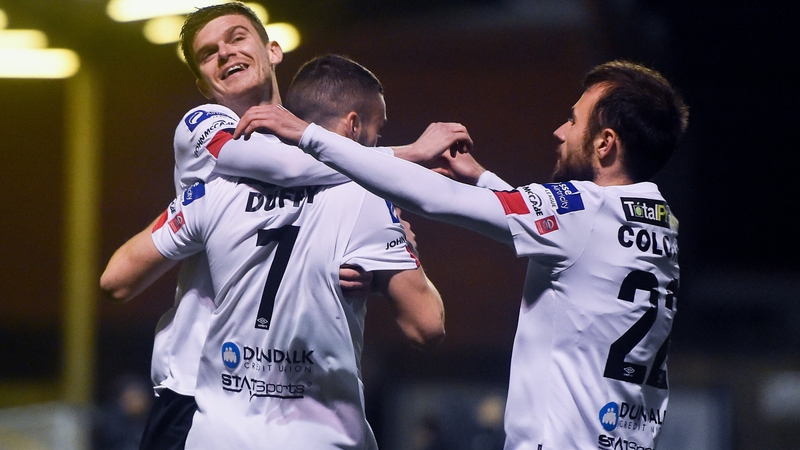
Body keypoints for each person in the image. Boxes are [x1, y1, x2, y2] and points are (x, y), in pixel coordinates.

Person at [235, 60, 689, 449]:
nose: (560, 130)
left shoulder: (585, 211)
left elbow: (436, 199)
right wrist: (482, 179)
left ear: (605, 143)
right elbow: (568, 234)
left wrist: (309, 136)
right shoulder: (659, 220)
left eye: (574, 121)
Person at [100, 3, 461, 448]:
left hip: (290, 390)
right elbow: (282, 167)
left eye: (236, 37)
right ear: (201, 83)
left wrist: (366, 271)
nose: (225, 53)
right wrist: (405, 159)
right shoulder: (205, 125)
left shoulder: (315, 157)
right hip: (198, 384)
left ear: (273, 50)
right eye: (209, 53)